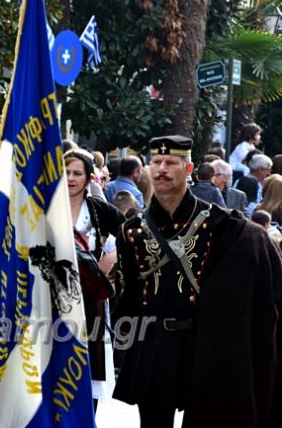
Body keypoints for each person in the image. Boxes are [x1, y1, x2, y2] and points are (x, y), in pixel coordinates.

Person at [113, 135, 282, 427]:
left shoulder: (220, 225)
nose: (162, 169)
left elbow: (251, 254)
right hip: (154, 345)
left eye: (171, 162)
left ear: (189, 169)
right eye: (156, 162)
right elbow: (128, 292)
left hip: (202, 344)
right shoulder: (131, 231)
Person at [64, 149, 124, 408]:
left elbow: (132, 237)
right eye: (65, 172)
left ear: (89, 178)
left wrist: (108, 266)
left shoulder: (100, 210)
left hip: (90, 299)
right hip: (48, 296)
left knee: (89, 367)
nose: (70, 178)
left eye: (77, 173)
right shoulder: (41, 207)